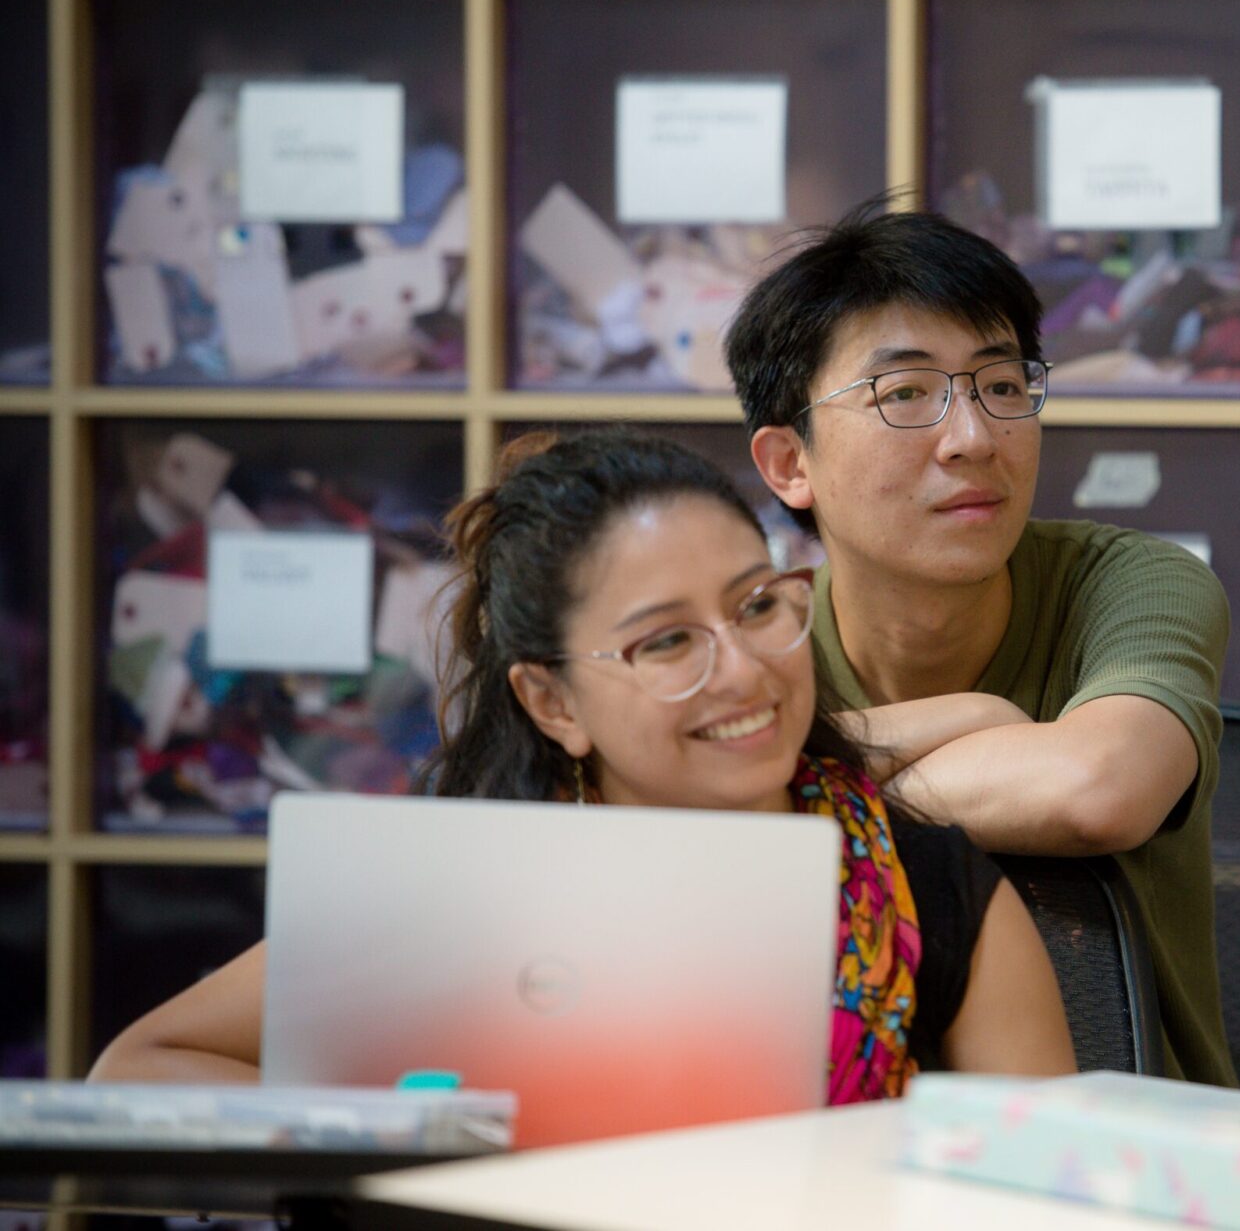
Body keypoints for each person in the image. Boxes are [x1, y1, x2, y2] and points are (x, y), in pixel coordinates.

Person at [90, 428, 1075, 1095]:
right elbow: (142, 1065)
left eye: (756, 606)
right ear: (552, 701)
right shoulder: (463, 896)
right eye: (665, 643)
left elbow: (1051, 1192)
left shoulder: (931, 890)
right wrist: (444, 1147)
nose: (743, 671)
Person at [728, 202, 1237, 1087]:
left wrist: (809, 791)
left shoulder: (1133, 583)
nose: (972, 439)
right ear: (788, 464)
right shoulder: (759, 647)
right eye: (906, 394)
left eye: (1001, 386)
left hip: (1146, 1151)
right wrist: (978, 718)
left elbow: (1095, 786)